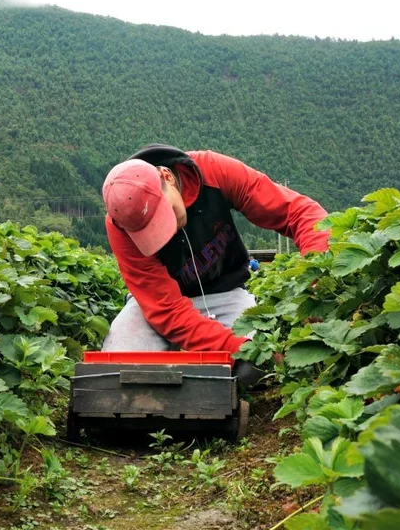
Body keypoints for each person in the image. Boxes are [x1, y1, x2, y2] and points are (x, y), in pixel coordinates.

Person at [100, 144, 330, 385]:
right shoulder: (121, 222)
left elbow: (299, 212)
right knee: (118, 370)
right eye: (150, 231)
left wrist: (314, 280)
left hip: (225, 292)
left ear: (167, 177)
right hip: (155, 306)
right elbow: (165, 308)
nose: (163, 233)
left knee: (254, 369)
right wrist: (230, 347)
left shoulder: (213, 171)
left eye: (163, 218)